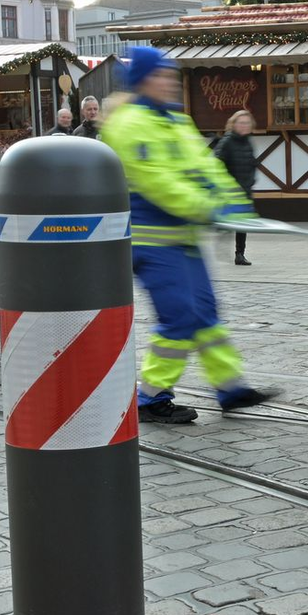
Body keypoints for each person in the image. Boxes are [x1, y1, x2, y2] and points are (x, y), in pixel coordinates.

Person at [100, 46, 277, 424]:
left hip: (184, 239)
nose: (170, 82)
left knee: (206, 315)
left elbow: (207, 168)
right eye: (162, 76)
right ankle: (149, 397)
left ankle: (229, 387)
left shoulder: (176, 122)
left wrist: (236, 206)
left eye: (171, 75)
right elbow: (158, 183)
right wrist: (208, 209)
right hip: (151, 242)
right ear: (143, 81)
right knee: (180, 318)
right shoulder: (129, 125)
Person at [214, 109, 257, 265]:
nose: (244, 126)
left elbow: (252, 163)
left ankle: (240, 254)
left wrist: (251, 182)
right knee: (229, 220)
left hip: (244, 189)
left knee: (242, 223)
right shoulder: (226, 142)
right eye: (241, 123)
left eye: (247, 123)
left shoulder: (248, 142)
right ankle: (222, 232)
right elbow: (216, 163)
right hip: (229, 190)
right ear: (233, 124)